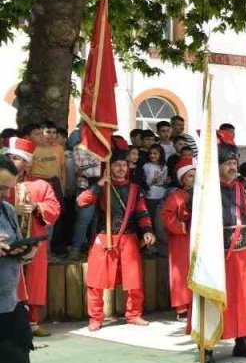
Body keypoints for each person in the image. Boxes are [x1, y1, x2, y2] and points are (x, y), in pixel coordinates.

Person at [0, 155, 56, 363]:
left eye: (7, 188)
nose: (3, 194)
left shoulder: (7, 209)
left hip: (8, 303)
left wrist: (24, 253)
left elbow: (15, 243)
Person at [77, 146, 156, 331]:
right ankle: (95, 318)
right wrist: (99, 185)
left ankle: (134, 314)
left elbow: (142, 212)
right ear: (109, 167)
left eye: (124, 165)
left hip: (128, 237)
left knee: (133, 278)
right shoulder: (101, 186)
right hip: (104, 237)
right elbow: (82, 201)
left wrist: (147, 230)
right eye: (117, 165)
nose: (121, 168)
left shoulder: (135, 189)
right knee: (95, 280)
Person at [201, 136, 246, 363]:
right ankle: (206, 347)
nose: (233, 167)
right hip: (216, 254)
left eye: (235, 163)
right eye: (228, 164)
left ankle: (242, 341)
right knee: (214, 298)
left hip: (242, 252)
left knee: (243, 299)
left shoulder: (242, 189)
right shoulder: (206, 190)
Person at [2, 138, 60, 338]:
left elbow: (54, 208)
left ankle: (33, 321)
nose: (12, 161)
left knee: (34, 280)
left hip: (32, 238)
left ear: (26, 162)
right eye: (10, 157)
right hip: (5, 242)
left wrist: (37, 207)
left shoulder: (41, 184)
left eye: (17, 158)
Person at [160, 157, 196, 319]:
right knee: (181, 271)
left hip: (199, 239)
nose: (194, 178)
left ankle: (198, 303)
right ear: (182, 178)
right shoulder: (175, 196)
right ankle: (182, 306)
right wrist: (184, 226)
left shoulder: (206, 195)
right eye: (190, 175)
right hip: (182, 239)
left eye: (196, 174)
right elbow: (167, 217)